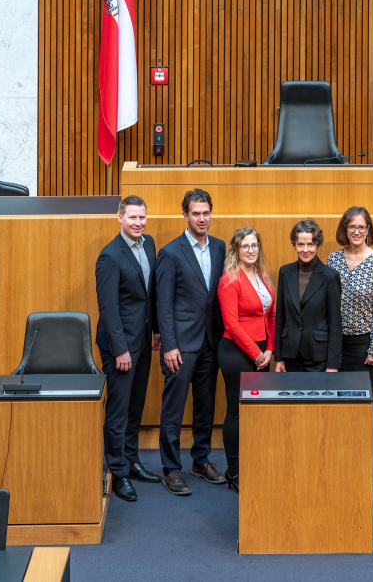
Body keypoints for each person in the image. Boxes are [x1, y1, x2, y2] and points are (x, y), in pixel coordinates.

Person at [156, 189, 226, 496]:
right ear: (185, 215)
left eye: (206, 212)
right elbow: (163, 303)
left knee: (205, 406)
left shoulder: (221, 248)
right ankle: (171, 469)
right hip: (180, 345)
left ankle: (201, 460)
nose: (202, 218)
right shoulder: (171, 252)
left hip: (211, 341)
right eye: (196, 213)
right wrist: (169, 345)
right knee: (173, 410)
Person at [95, 195, 162, 502]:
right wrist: (121, 350)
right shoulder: (110, 256)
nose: (138, 223)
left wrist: (157, 330)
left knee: (135, 405)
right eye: (132, 218)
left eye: (142, 217)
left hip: (142, 339)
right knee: (119, 410)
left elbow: (149, 296)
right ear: (119, 218)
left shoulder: (148, 245)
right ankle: (118, 472)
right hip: (120, 345)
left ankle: (132, 460)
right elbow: (108, 309)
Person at [327, 207, 373, 479]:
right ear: (344, 228)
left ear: (368, 230)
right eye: (351, 226)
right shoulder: (333, 259)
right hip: (336, 346)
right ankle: (343, 456)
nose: (356, 231)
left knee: (368, 407)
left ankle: (368, 460)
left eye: (361, 227)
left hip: (364, 346)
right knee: (338, 406)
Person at [217, 228, 276, 492]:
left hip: (264, 353)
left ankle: (254, 464)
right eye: (245, 246)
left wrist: (270, 351)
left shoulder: (263, 275)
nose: (251, 250)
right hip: (236, 352)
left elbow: (271, 316)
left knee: (258, 411)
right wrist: (256, 354)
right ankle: (235, 472)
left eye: (254, 245)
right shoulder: (230, 280)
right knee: (237, 412)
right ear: (236, 251)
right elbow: (231, 324)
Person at [274, 219, 342, 372]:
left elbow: (335, 324)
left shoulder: (330, 276)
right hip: (290, 355)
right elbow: (280, 318)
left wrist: (333, 364)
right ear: (294, 245)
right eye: (300, 244)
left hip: (318, 357)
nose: (305, 249)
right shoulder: (285, 272)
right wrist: (278, 358)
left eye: (310, 244)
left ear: (317, 245)